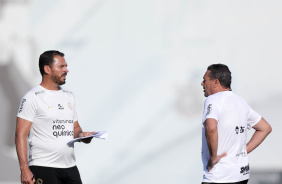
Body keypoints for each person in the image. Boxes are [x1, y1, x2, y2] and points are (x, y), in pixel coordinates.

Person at [15, 50, 95, 184]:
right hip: (43, 167)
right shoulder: (32, 97)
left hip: (70, 167)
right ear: (47, 69)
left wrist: (82, 136)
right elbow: (20, 135)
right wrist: (24, 169)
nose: (66, 70)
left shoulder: (68, 96)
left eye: (66, 66)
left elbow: (75, 127)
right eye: (61, 66)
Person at [201, 64, 272, 184]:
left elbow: (211, 128)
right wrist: (243, 151)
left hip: (220, 176)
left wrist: (213, 158)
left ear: (215, 82)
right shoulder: (240, 101)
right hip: (241, 175)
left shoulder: (213, 99)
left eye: (205, 80)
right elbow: (265, 128)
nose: (202, 84)